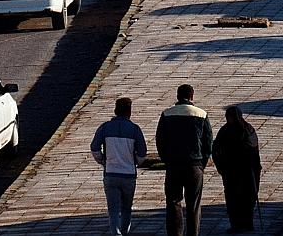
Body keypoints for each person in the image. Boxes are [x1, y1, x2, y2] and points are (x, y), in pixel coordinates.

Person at [155, 84, 213, 236]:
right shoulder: (201, 114)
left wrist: (166, 160)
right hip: (195, 165)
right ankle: (193, 233)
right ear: (192, 96)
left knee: (173, 202)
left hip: (174, 165)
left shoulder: (167, 114)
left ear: (177, 96)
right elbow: (208, 142)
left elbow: (160, 140)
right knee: (193, 204)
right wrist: (202, 164)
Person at [91, 97, 148, 236]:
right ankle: (124, 231)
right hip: (129, 174)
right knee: (127, 207)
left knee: (113, 208)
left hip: (111, 173)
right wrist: (135, 162)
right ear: (129, 112)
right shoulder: (134, 129)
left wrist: (103, 161)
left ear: (115, 110)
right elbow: (142, 153)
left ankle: (116, 233)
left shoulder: (105, 127)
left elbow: (94, 148)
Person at [212, 105, 262, 233]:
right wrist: (221, 166)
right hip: (231, 171)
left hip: (247, 170)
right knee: (233, 198)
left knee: (248, 197)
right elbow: (216, 149)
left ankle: (248, 223)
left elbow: (252, 146)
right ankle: (236, 224)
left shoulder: (247, 129)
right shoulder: (224, 131)